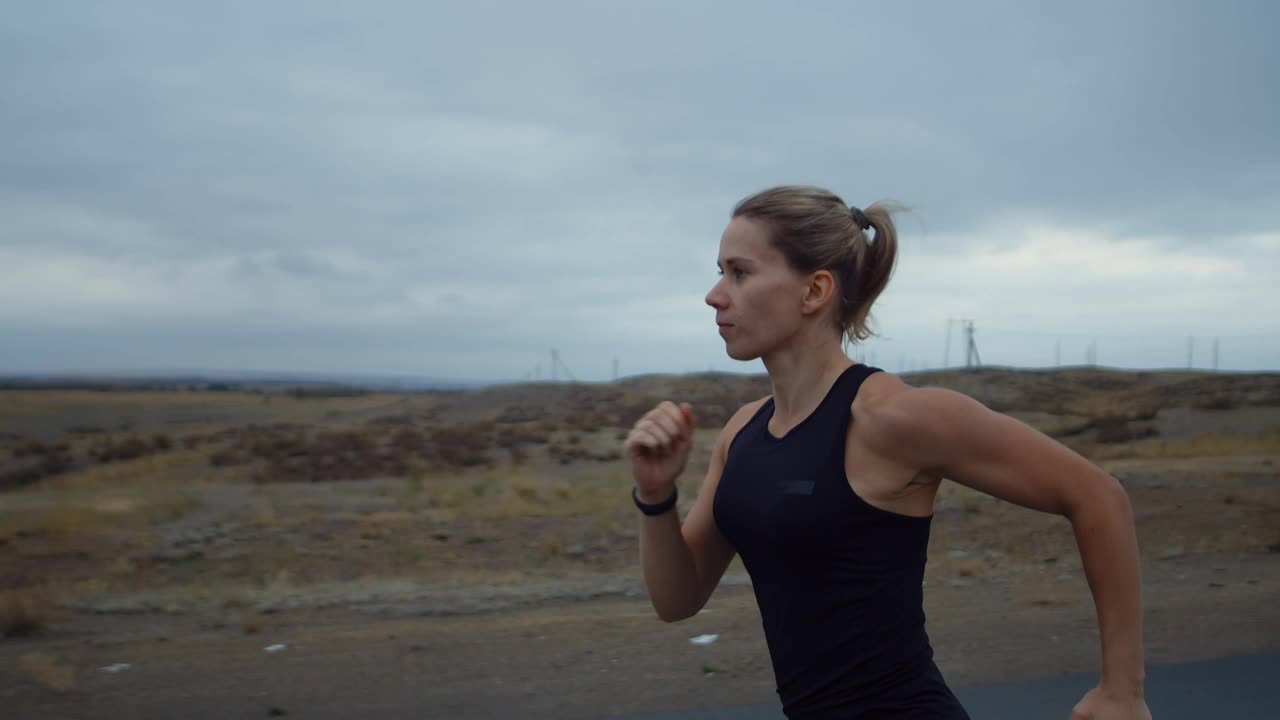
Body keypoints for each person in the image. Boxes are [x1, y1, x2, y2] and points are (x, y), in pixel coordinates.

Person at [623, 185, 1152, 719]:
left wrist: (1122, 690)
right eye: (719, 271)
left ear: (814, 291)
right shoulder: (742, 435)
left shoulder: (893, 417)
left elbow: (1098, 496)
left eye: (739, 272)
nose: (715, 294)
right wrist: (656, 495)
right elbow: (678, 599)